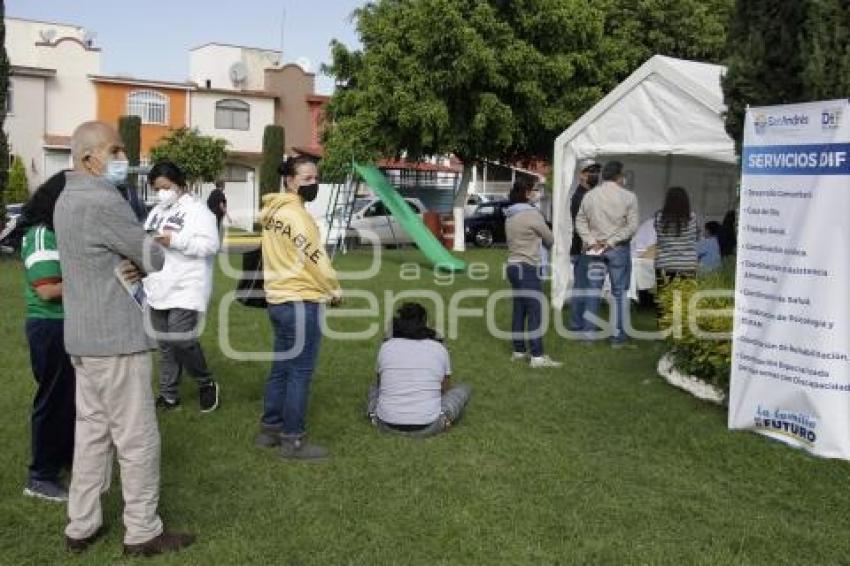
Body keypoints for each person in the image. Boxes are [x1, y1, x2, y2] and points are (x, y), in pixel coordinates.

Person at [54, 121, 194, 556]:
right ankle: (142, 530)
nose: (123, 158)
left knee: (92, 436)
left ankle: (81, 525)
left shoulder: (64, 197)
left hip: (82, 338)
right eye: (115, 150)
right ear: (88, 157)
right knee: (136, 438)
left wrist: (125, 255)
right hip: (116, 339)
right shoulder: (102, 198)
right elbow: (151, 255)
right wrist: (140, 249)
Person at [255, 155, 342, 460]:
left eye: (315, 178)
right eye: (306, 179)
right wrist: (334, 289)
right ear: (289, 181)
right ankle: (293, 440)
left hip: (277, 300)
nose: (313, 184)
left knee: (281, 368)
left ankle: (270, 430)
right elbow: (316, 259)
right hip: (300, 300)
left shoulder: (272, 214)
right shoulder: (299, 218)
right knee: (300, 372)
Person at [144, 160, 220, 412]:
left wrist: (174, 240)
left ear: (180, 184)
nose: (161, 192)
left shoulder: (199, 211)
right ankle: (168, 395)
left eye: (165, 187)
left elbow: (210, 245)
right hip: (158, 285)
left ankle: (205, 381)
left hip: (187, 284)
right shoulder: (156, 211)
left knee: (180, 338)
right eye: (156, 188)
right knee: (165, 344)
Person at [19, 171, 75, 502]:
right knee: (53, 399)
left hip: (66, 324)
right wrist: (97, 281)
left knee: (69, 398)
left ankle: (65, 457)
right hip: (50, 325)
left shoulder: (59, 233)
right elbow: (49, 290)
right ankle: (40, 475)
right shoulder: (41, 235)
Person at [367, 303, 471, 436]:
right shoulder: (439, 348)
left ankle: (373, 415)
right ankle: (444, 418)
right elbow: (445, 390)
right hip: (430, 424)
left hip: (385, 423)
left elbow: (381, 385)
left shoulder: (386, 347)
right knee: (464, 389)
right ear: (425, 323)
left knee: (373, 389)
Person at [575, 160, 639, 347]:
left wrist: (592, 241)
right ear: (619, 176)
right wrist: (611, 241)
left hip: (595, 249)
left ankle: (588, 337)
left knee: (592, 291)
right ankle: (618, 338)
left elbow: (580, 221)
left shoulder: (590, 196)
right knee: (619, 293)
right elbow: (632, 226)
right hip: (618, 248)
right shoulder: (629, 197)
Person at [505, 178, 562, 368]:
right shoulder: (531, 214)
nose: (538, 193)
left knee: (520, 309)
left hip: (513, 265)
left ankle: (519, 350)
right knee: (535, 310)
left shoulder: (510, 214)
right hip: (527, 266)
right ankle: (537, 356)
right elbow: (550, 238)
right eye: (535, 190)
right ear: (527, 193)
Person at [653, 187, 698, 318]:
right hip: (687, 264)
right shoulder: (692, 217)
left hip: (665, 263)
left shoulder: (659, 217)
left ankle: (664, 327)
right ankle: (682, 328)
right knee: (685, 298)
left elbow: (658, 235)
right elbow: (694, 237)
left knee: (664, 296)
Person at [568, 159, 600, 331]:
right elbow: (583, 225)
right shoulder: (580, 196)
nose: (594, 175)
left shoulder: (590, 195)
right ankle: (577, 324)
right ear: (581, 175)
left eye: (596, 171)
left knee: (585, 286)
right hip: (582, 248)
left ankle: (580, 323)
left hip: (587, 247)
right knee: (582, 287)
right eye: (590, 171)